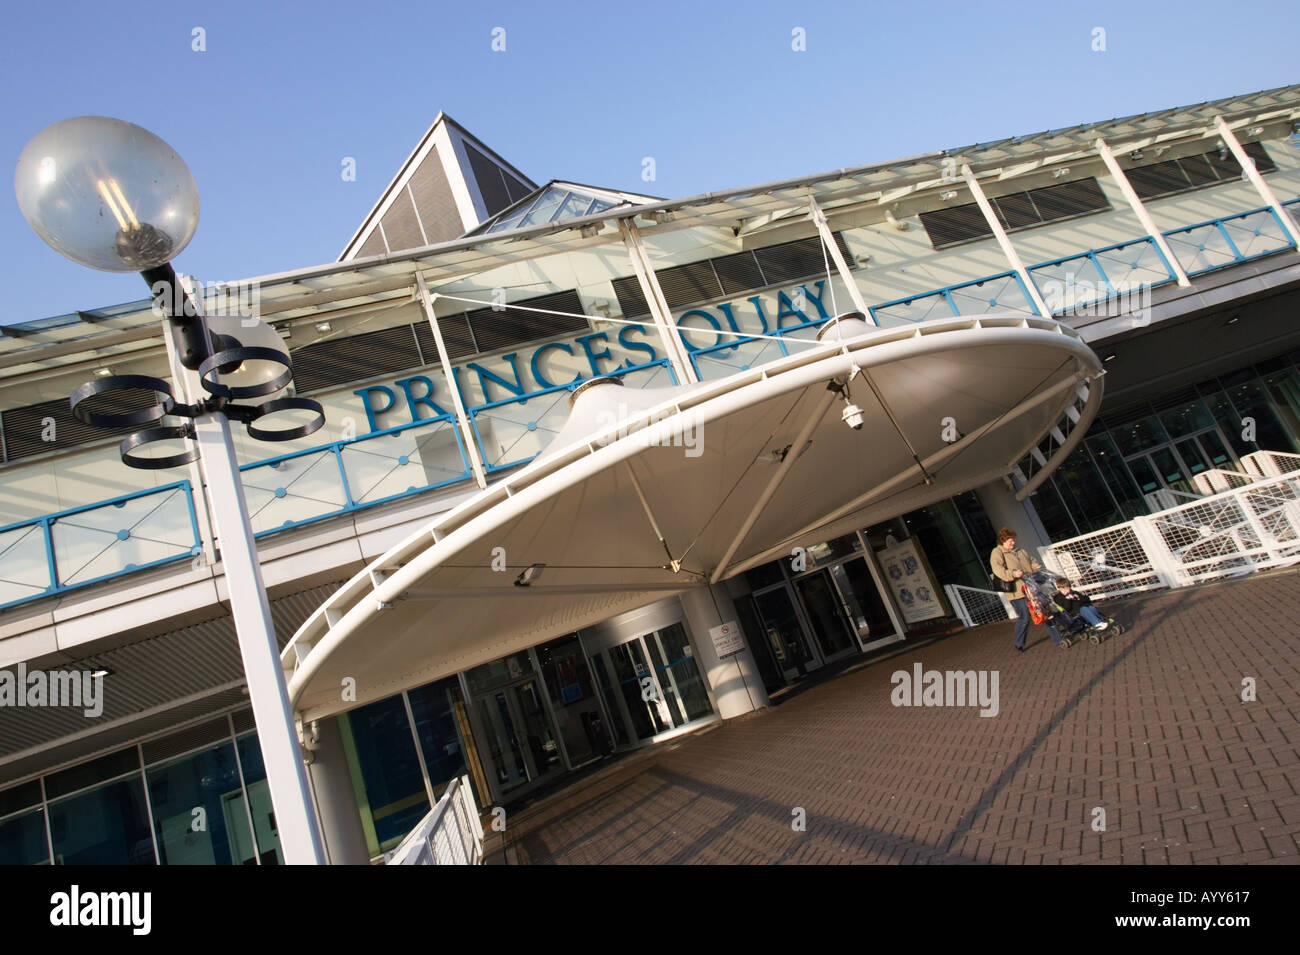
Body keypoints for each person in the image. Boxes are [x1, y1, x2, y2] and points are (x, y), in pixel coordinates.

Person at [989, 527, 1045, 653]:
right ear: (1003, 541)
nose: (1013, 543)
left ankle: (1056, 634)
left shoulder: (1021, 551)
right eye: (1010, 540)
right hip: (1015, 591)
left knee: (1041, 609)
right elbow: (997, 569)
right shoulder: (997, 552)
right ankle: (1019, 643)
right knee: (1025, 616)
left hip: (1029, 587)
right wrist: (1013, 574)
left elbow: (1031, 561)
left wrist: (1035, 566)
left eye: (1013, 540)